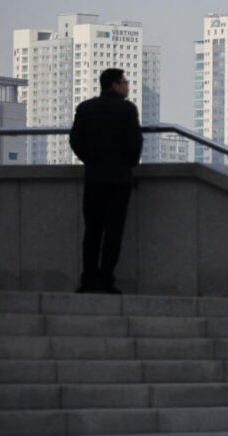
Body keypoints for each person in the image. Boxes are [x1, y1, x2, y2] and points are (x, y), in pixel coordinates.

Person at [70, 68, 143, 294]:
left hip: (94, 178)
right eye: (124, 82)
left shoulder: (85, 108)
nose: (127, 86)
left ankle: (88, 280)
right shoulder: (128, 110)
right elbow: (135, 144)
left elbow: (75, 141)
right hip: (119, 180)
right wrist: (127, 164)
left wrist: (90, 160)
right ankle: (106, 280)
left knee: (92, 231)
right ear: (114, 85)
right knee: (113, 232)